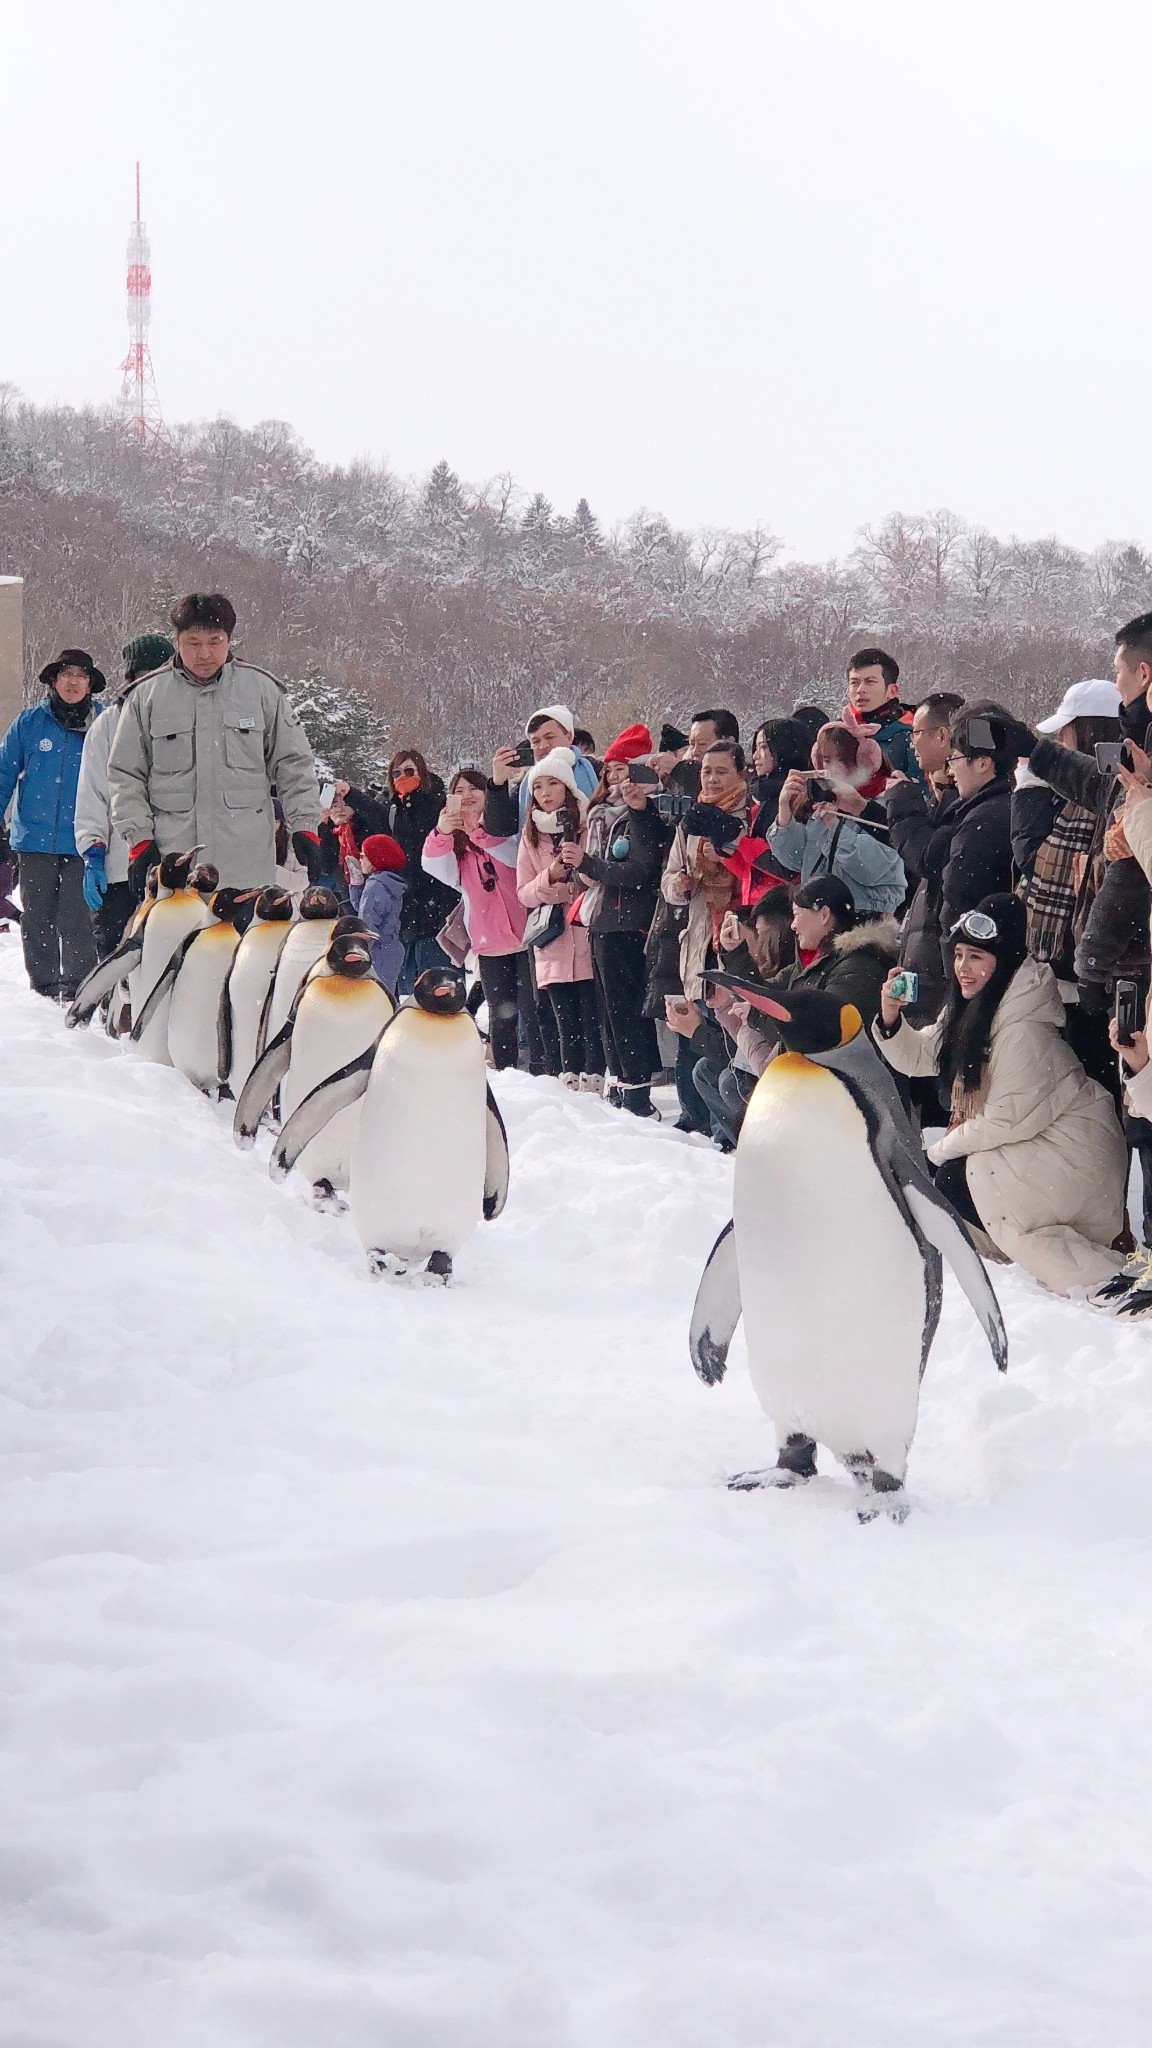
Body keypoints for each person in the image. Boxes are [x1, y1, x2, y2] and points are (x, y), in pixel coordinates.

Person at [875, 894, 1127, 1294]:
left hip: (1077, 1154)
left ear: (1003, 958)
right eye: (958, 954)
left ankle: (1105, 1277)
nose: (963, 968)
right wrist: (891, 1018)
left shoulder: (1021, 1026)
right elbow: (925, 1054)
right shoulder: (979, 1006)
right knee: (956, 1177)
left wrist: (935, 1152)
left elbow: (1004, 1120)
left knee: (969, 1173)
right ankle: (1006, 1252)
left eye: (976, 956)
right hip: (1041, 1141)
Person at [108, 593, 320, 895]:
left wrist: (305, 827)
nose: (204, 653)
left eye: (214, 641)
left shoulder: (261, 691)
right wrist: (139, 838)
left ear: (229, 640)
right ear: (177, 640)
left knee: (244, 944)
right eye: (193, 642)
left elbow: (294, 764)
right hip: (175, 867)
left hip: (246, 868)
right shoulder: (147, 696)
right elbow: (125, 774)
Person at [572, 724, 666, 1117]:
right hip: (601, 916)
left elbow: (642, 871)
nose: (615, 779)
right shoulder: (599, 814)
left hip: (629, 920)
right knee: (607, 1008)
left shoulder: (645, 813)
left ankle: (637, 1088)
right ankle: (621, 1079)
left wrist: (590, 864)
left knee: (626, 1009)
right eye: (610, 770)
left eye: (624, 770)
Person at [0, 649, 104, 999]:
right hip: (33, 840)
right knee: (37, 917)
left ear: (90, 683)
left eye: (81, 676)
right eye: (66, 675)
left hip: (83, 839)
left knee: (77, 918)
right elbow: (3, 776)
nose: (73, 682)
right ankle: (44, 987)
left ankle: (78, 987)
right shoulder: (29, 723)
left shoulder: (102, 724)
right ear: (53, 681)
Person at [660, 738, 751, 1131]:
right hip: (699, 935)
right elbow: (667, 877)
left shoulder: (749, 817)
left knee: (731, 1036)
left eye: (722, 771)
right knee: (697, 1030)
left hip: (735, 934)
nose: (712, 779)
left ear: (740, 774)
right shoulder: (692, 820)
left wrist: (730, 857)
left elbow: (754, 873)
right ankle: (701, 1119)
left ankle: (727, 1128)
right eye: (706, 771)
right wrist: (677, 885)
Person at [421, 765, 531, 1070]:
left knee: (532, 1009)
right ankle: (507, 1070)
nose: (467, 796)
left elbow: (515, 858)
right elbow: (433, 866)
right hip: (489, 937)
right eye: (459, 791)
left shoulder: (506, 823)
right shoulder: (455, 843)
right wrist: (443, 832)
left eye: (473, 789)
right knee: (501, 1012)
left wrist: (478, 833)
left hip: (526, 932)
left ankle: (541, 1069)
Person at [75, 631, 174, 959]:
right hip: (122, 865)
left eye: (161, 674)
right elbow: (93, 794)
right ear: (130, 677)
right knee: (118, 958)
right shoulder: (106, 727)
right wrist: (93, 850)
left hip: (178, 866)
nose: (152, 685)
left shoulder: (190, 720)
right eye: (144, 676)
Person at [515, 748, 604, 1089]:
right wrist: (550, 877)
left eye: (553, 784)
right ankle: (568, 1080)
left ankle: (595, 1079)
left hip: (584, 933)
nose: (545, 793)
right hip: (550, 938)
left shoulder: (587, 825)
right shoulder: (530, 836)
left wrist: (576, 878)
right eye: (538, 787)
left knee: (590, 1015)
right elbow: (523, 891)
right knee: (563, 1018)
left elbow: (597, 876)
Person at [883, 691, 965, 1024]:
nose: (911, 743)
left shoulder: (968, 801)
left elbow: (927, 858)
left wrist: (902, 802)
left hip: (942, 968)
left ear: (942, 736)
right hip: (926, 959)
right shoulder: (950, 794)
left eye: (915, 733)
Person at [766, 756, 907, 913]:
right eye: (822, 762)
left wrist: (835, 827)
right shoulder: (821, 806)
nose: (828, 770)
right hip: (819, 912)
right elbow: (796, 859)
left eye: (836, 758)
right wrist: (784, 809)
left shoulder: (885, 803)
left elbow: (872, 868)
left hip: (865, 914)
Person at [379, 748, 459, 995]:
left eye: (409, 771)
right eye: (396, 773)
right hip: (407, 911)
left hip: (438, 906)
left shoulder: (437, 803)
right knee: (411, 991)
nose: (403, 776)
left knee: (439, 986)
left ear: (422, 772)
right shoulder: (394, 810)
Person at [841, 646, 923, 785]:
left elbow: (924, 792)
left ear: (892, 691)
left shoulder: (911, 736)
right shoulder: (838, 733)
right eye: (854, 683)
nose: (860, 690)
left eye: (870, 682)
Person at [347, 833, 406, 991]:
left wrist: (359, 951)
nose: (360, 859)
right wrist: (357, 885)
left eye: (364, 855)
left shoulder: (375, 886)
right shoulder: (387, 881)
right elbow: (364, 909)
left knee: (376, 996)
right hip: (390, 947)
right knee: (386, 995)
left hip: (377, 950)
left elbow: (367, 923)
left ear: (376, 859)